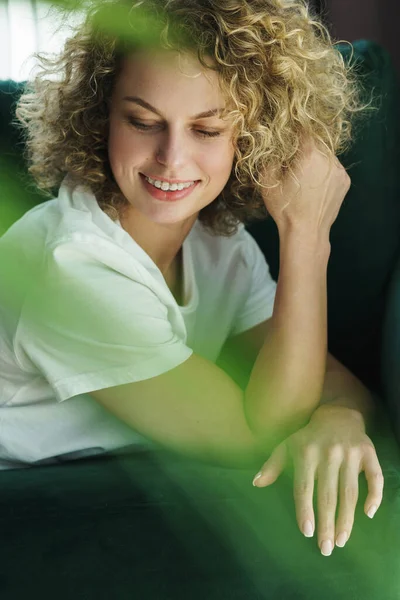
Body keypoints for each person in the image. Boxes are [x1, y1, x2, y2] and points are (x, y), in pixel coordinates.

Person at [0, 0, 383, 557]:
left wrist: (341, 418)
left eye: (206, 129)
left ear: (249, 139)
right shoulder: (68, 264)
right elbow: (259, 432)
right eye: (142, 121)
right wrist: (306, 234)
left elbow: (325, 379)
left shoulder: (217, 245)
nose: (171, 160)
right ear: (99, 115)